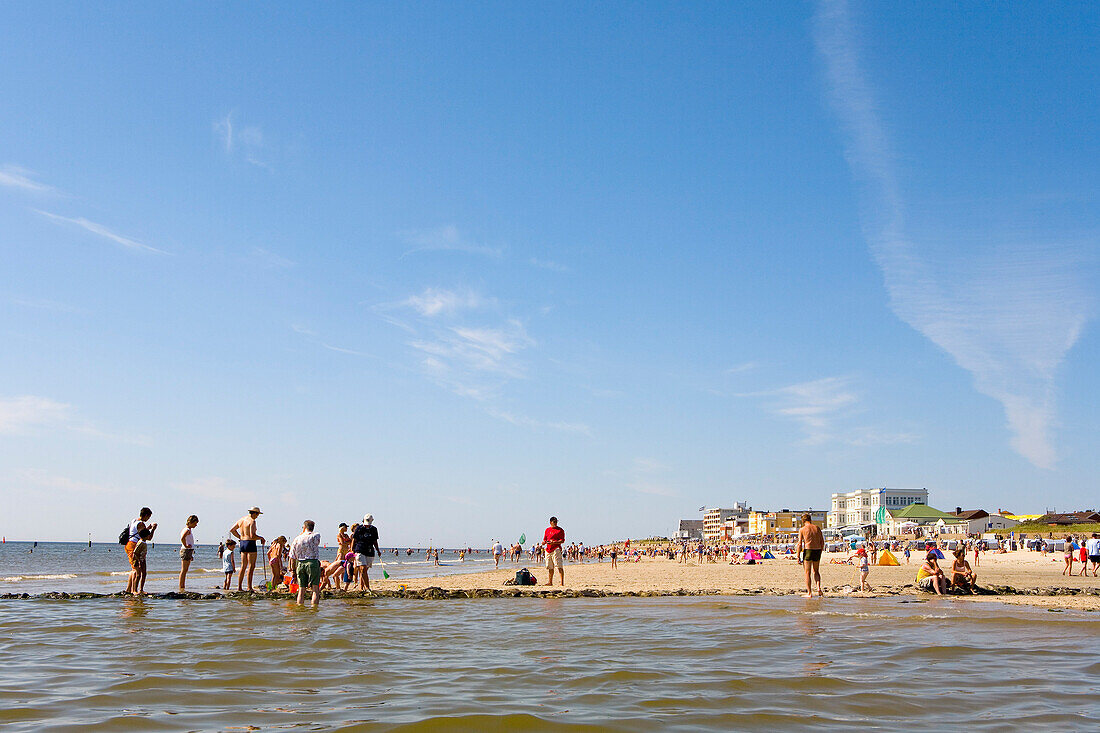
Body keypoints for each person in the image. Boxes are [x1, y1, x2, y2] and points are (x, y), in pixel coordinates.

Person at [229, 507, 266, 592]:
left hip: (242, 543)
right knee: (251, 566)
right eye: (257, 515)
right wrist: (261, 538)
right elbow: (252, 536)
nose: (257, 517)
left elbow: (232, 530)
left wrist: (240, 537)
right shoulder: (252, 521)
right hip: (250, 543)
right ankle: (249, 587)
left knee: (243, 566)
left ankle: (239, 587)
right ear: (254, 513)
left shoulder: (241, 519)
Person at [289, 520, 323, 607]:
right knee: (315, 589)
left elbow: (292, 556)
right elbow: (316, 542)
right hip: (312, 562)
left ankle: (300, 607)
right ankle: (314, 609)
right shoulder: (316, 535)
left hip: (300, 563)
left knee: (301, 589)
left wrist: (292, 570)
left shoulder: (297, 538)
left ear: (304, 527)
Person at [125, 508, 158, 594]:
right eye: (148, 517)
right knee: (136, 569)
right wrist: (153, 529)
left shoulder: (134, 521)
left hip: (130, 543)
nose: (148, 519)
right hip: (135, 545)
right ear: (146, 515)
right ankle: (134, 590)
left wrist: (148, 528)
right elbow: (146, 536)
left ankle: (129, 589)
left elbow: (141, 532)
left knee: (133, 569)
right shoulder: (141, 524)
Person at [795, 513, 824, 598]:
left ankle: (809, 593)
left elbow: (799, 544)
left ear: (803, 521)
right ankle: (818, 588)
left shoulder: (802, 529)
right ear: (810, 519)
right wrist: (820, 551)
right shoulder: (817, 528)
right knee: (816, 571)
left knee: (807, 573)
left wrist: (797, 556)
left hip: (808, 550)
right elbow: (822, 542)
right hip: (817, 550)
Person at [352, 514, 381, 592]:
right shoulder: (359, 528)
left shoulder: (374, 529)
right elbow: (354, 540)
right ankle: (367, 587)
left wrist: (378, 550)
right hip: (359, 550)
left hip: (370, 551)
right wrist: (352, 550)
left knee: (364, 571)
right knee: (363, 569)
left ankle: (361, 587)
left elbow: (375, 541)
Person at [322, 523, 352, 590]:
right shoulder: (339, 535)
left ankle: (341, 580)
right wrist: (347, 542)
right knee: (338, 565)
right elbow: (342, 543)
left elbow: (350, 542)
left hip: (346, 550)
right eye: (345, 527)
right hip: (341, 551)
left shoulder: (346, 535)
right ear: (342, 528)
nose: (346, 529)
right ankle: (336, 583)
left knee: (344, 566)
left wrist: (347, 542)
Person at [128, 527, 152, 594]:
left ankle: (141, 589)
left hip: (143, 560)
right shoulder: (140, 542)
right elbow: (135, 552)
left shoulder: (144, 542)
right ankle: (135, 590)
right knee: (138, 575)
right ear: (145, 536)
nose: (149, 537)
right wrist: (138, 561)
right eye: (148, 535)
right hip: (137, 560)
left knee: (144, 574)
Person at [543, 516, 566, 586]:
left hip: (556, 548)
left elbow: (562, 540)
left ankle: (561, 582)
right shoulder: (547, 530)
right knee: (549, 566)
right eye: (554, 522)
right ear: (550, 522)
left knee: (559, 565)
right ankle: (550, 582)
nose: (555, 523)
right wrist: (544, 542)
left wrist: (554, 542)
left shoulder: (560, 530)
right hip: (548, 549)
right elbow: (544, 539)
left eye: (556, 522)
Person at [178, 515, 199, 592]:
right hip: (186, 550)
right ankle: (181, 586)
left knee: (185, 570)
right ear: (191, 522)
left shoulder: (187, 530)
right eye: (195, 523)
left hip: (188, 551)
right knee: (184, 570)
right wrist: (186, 545)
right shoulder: (187, 530)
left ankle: (182, 585)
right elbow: (182, 538)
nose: (196, 525)